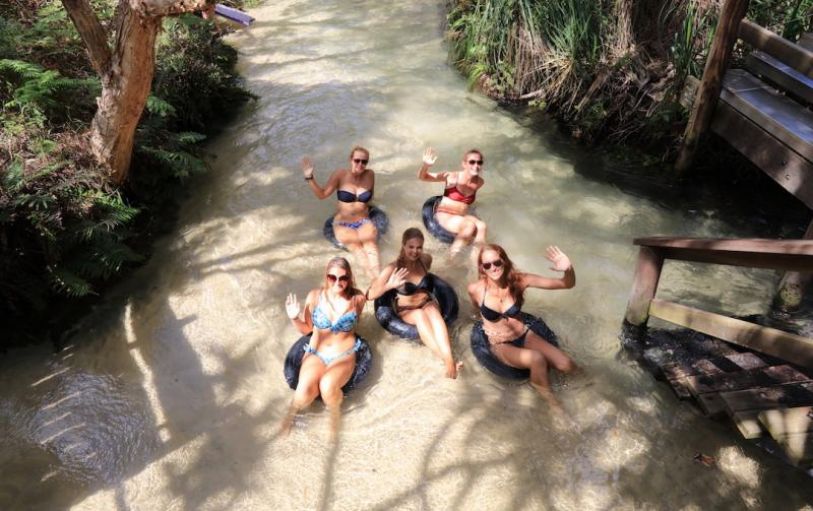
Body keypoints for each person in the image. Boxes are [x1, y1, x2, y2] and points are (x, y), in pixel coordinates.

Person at [467, 244, 576, 408]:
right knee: (537, 359)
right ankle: (554, 406)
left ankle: (591, 390)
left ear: (504, 261)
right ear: (482, 268)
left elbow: (566, 284)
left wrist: (568, 268)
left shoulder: (520, 281)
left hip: (524, 335)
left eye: (497, 262)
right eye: (487, 265)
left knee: (566, 364)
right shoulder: (475, 289)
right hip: (500, 344)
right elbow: (476, 312)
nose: (493, 268)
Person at [281, 257, 368, 438]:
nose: (338, 282)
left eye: (343, 278)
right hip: (316, 352)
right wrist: (294, 317)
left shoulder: (357, 299)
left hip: (343, 354)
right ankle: (286, 425)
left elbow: (374, 291)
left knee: (328, 388)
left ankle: (334, 424)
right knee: (303, 394)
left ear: (350, 277)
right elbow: (307, 329)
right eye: (332, 277)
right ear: (326, 277)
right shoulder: (315, 296)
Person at [367, 228, 463, 378]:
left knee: (432, 311)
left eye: (419, 247)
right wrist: (389, 286)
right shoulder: (393, 268)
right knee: (419, 315)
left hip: (427, 302)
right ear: (403, 246)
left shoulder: (425, 260)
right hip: (408, 310)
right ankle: (448, 361)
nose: (415, 251)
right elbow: (370, 294)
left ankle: (449, 358)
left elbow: (431, 279)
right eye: (411, 247)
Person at [302, 146, 380, 280]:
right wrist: (309, 177)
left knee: (371, 246)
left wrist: (372, 211)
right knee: (358, 249)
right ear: (351, 160)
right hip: (343, 222)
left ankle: (379, 281)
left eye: (364, 162)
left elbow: (370, 197)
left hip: (363, 220)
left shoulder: (370, 174)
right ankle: (374, 283)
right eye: (357, 160)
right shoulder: (340, 175)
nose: (360, 164)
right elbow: (322, 194)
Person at [418, 147, 487, 257]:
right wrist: (426, 165)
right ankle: (450, 262)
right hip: (445, 214)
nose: (476, 165)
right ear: (464, 164)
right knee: (469, 226)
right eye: (472, 162)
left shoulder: (479, 182)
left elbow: (464, 203)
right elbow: (423, 177)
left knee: (482, 226)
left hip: (459, 217)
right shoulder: (452, 177)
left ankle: (477, 261)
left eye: (479, 162)